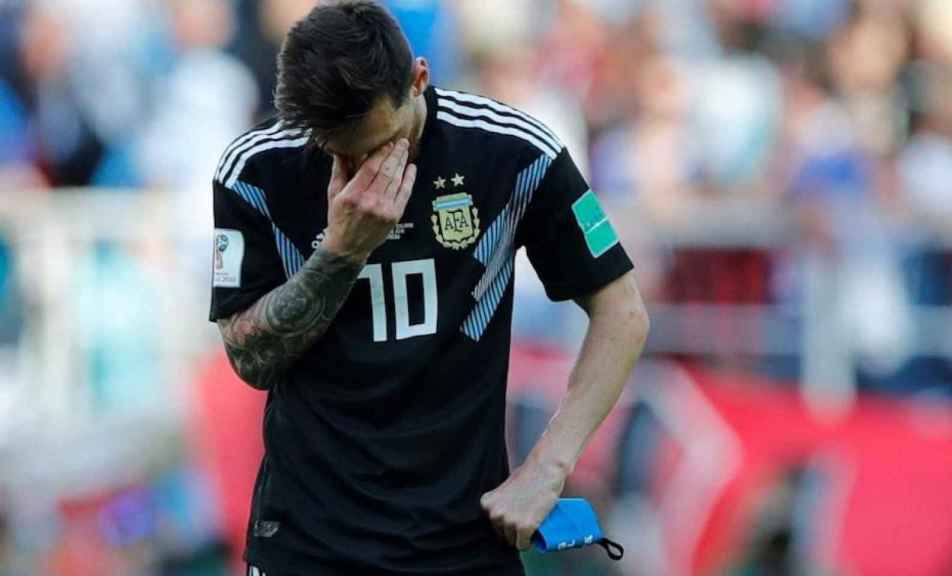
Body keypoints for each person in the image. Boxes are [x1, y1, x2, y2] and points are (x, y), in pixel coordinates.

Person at [209, 2, 649, 574]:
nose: (366, 171)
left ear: (419, 79)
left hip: (462, 542)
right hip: (309, 542)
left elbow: (623, 310)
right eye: (340, 152)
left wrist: (547, 468)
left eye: (381, 144)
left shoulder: (515, 153)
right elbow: (249, 358)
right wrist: (340, 254)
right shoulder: (257, 170)